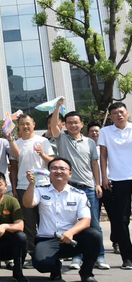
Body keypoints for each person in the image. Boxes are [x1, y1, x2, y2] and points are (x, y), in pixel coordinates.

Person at [50, 100, 109, 270]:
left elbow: (94, 164)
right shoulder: (62, 139)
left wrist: (97, 184)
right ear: (65, 125)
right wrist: (57, 108)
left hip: (88, 188)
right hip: (70, 188)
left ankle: (100, 256)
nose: (73, 125)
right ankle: (77, 257)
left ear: (81, 124)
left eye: (76, 122)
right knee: (74, 224)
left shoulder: (90, 142)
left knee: (94, 224)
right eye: (69, 122)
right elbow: (54, 126)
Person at [23, 158, 100, 282]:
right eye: (54, 168)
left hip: (71, 239)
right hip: (47, 239)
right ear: (49, 173)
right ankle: (55, 267)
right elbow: (27, 203)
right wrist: (31, 184)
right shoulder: (40, 190)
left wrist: (71, 232)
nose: (58, 171)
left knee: (94, 235)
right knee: (41, 264)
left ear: (70, 174)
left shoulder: (79, 194)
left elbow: (86, 220)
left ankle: (86, 273)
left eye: (62, 168)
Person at [10, 113, 54, 266]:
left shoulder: (43, 141)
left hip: (44, 185)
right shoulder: (16, 143)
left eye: (28, 123)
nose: (25, 126)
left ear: (34, 125)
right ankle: (33, 253)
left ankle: (48, 252)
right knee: (29, 223)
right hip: (23, 186)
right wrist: (14, 187)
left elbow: (52, 162)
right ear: (18, 126)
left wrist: (42, 154)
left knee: (45, 221)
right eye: (22, 124)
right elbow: (13, 168)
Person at [98, 102, 132, 269]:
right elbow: (103, 155)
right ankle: (128, 257)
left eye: (121, 112)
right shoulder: (105, 132)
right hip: (117, 179)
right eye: (115, 113)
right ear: (111, 116)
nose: (119, 115)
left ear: (127, 113)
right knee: (122, 219)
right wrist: (104, 176)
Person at [89, 121, 119, 254]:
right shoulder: (87, 147)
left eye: (97, 131)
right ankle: (94, 245)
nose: (95, 133)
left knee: (115, 216)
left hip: (108, 185)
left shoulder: (107, 147)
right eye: (92, 131)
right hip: (92, 187)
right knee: (94, 218)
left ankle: (116, 241)